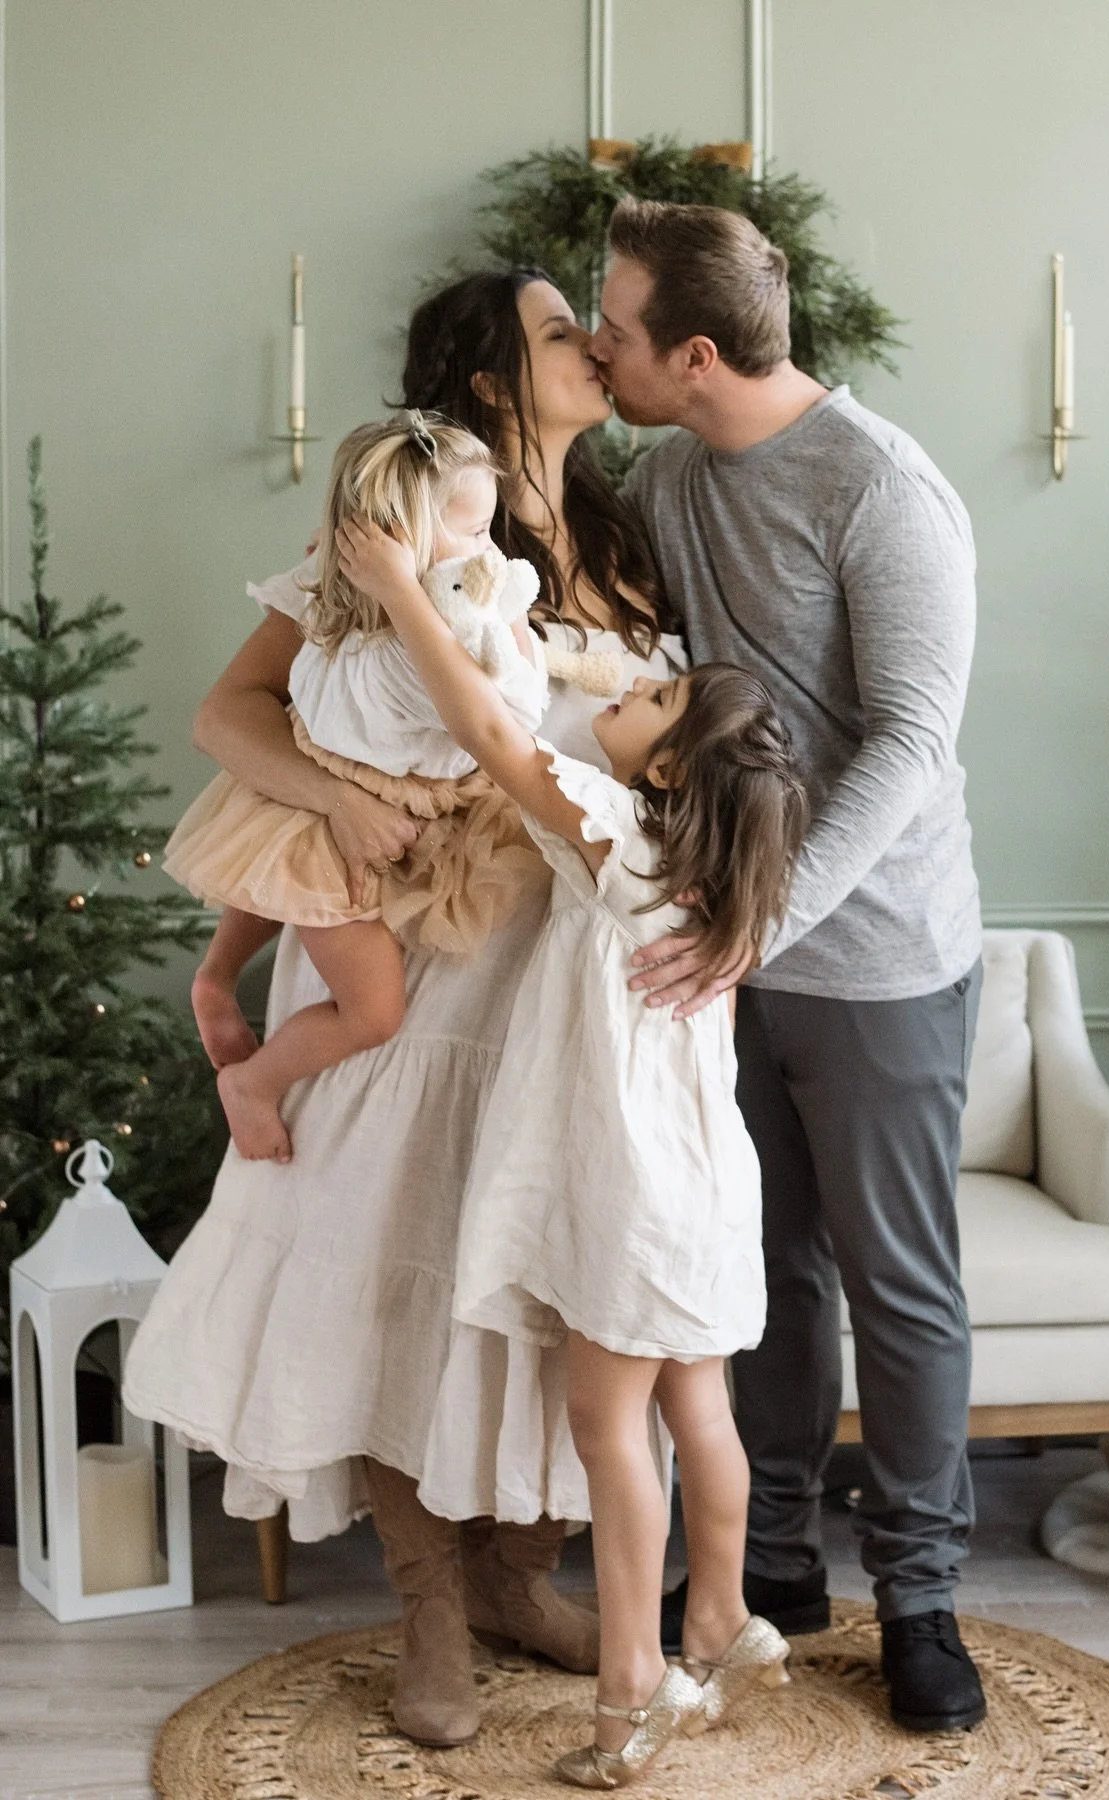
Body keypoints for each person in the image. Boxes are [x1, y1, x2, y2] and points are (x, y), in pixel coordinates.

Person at [124, 268, 683, 1749]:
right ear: (490, 374)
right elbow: (231, 715)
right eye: (561, 330)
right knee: (395, 1263)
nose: (595, 346)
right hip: (410, 958)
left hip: (561, 970)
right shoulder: (392, 527)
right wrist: (343, 798)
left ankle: (518, 1577)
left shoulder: (627, 541)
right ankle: (429, 1601)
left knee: (547, 1275)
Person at [589, 199, 987, 1734]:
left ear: (696, 355)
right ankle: (772, 1568)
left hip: (879, 956)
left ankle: (923, 1599)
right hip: (728, 955)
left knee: (898, 1283)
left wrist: (771, 917)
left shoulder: (882, 487)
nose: (601, 351)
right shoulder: (666, 477)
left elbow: (912, 742)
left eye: (618, 329)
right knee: (759, 1275)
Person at [338, 507, 804, 1787]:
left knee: (611, 1430)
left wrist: (401, 590)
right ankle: (724, 1612)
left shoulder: (621, 841)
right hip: (706, 1189)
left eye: (652, 698)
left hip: (632, 1193)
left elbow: (495, 736)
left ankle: (632, 1690)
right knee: (698, 1405)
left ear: (670, 773)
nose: (627, 691)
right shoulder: (717, 886)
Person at [165, 414, 547, 1162]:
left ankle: (216, 975)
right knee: (372, 1011)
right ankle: (251, 1083)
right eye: (473, 532)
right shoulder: (410, 639)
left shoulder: (369, 608)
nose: (489, 554)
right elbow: (507, 713)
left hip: (391, 798)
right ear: (396, 541)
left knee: (279, 871)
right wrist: (420, 598)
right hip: (335, 803)